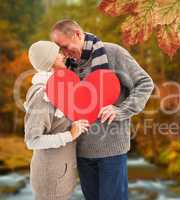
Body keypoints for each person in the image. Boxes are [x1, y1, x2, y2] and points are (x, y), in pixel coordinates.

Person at [50, 19, 154, 200]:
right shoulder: (66, 66)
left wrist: (120, 110)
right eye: (60, 49)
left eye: (65, 46)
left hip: (111, 150)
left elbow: (145, 83)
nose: (64, 53)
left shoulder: (113, 53)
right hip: (81, 151)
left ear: (77, 34)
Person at [24, 41, 90, 200]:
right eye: (56, 53)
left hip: (62, 174)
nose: (62, 55)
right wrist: (70, 135)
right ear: (47, 61)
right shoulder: (42, 94)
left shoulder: (60, 88)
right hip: (50, 179)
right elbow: (32, 140)